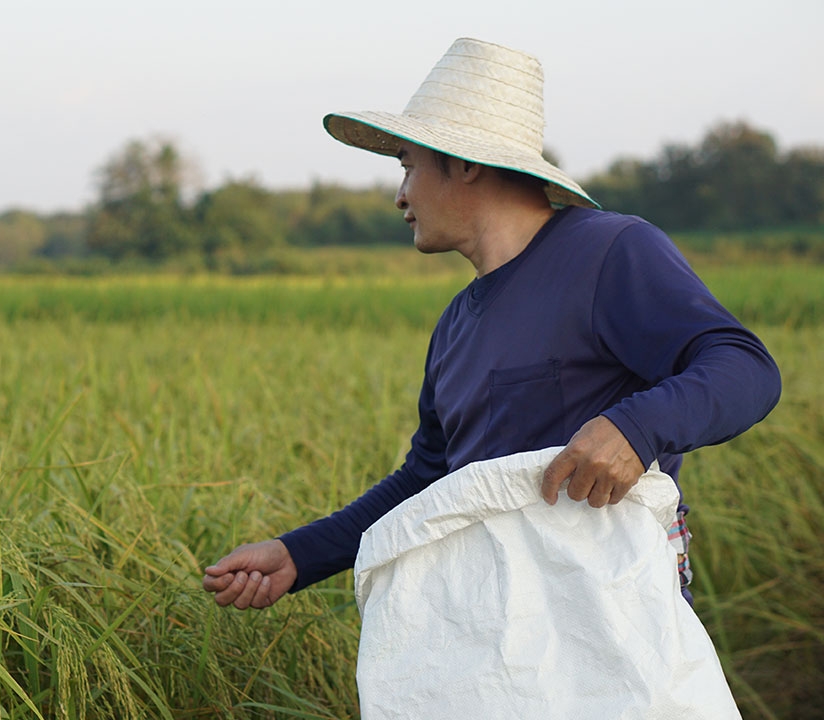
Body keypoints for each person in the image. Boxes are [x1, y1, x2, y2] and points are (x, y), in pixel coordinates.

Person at [201, 37, 781, 611]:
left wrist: (636, 427)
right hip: (496, 631)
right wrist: (298, 555)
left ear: (465, 164)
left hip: (612, 622)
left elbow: (745, 369)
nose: (400, 197)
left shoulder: (608, 252)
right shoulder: (456, 325)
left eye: (408, 168)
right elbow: (428, 480)